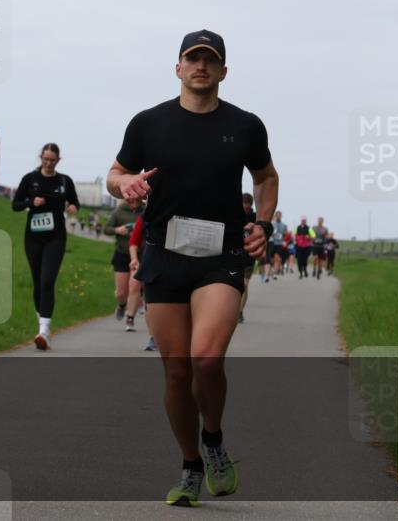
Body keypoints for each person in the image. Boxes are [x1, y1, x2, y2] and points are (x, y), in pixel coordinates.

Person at [107, 29, 278, 506]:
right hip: (165, 256)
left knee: (205, 359)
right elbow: (115, 174)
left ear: (223, 71)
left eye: (210, 59)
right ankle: (190, 464)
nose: (201, 66)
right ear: (178, 68)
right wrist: (125, 184)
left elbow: (266, 177)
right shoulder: (148, 123)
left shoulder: (245, 125)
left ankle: (214, 438)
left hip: (221, 257)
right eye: (192, 58)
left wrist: (264, 223)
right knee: (177, 372)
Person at [12, 143, 80, 349]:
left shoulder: (64, 181)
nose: (48, 163)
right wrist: (31, 202)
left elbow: (75, 202)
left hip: (56, 238)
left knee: (47, 281)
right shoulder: (30, 179)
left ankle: (44, 331)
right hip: (33, 238)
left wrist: (73, 206)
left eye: (52, 160)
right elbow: (15, 205)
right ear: (40, 158)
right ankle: (41, 325)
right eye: (45, 159)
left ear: (58, 160)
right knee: (38, 283)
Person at [105, 197, 146, 329]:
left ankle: (130, 317)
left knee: (134, 286)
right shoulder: (118, 212)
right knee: (121, 293)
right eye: (130, 200)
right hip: (122, 253)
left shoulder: (145, 211)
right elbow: (106, 229)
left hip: (140, 254)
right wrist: (118, 230)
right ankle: (122, 305)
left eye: (136, 200)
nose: (133, 203)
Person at [128, 214, 157, 350]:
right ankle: (153, 337)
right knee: (151, 302)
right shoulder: (145, 216)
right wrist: (134, 259)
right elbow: (134, 241)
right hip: (147, 261)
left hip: (174, 262)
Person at [238, 193, 256, 323]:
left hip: (249, 255)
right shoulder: (234, 215)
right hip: (235, 254)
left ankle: (240, 312)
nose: (245, 209)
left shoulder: (255, 218)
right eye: (243, 206)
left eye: (247, 207)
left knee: (244, 284)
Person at [269, 211, 288, 277]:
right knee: (271, 258)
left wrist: (283, 234)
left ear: (281, 216)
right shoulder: (272, 224)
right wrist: (272, 233)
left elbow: (285, 234)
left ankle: (275, 271)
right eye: (277, 215)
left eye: (279, 215)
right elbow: (269, 232)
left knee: (277, 257)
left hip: (279, 243)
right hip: (272, 242)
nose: (278, 217)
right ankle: (272, 268)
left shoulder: (284, 225)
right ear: (275, 216)